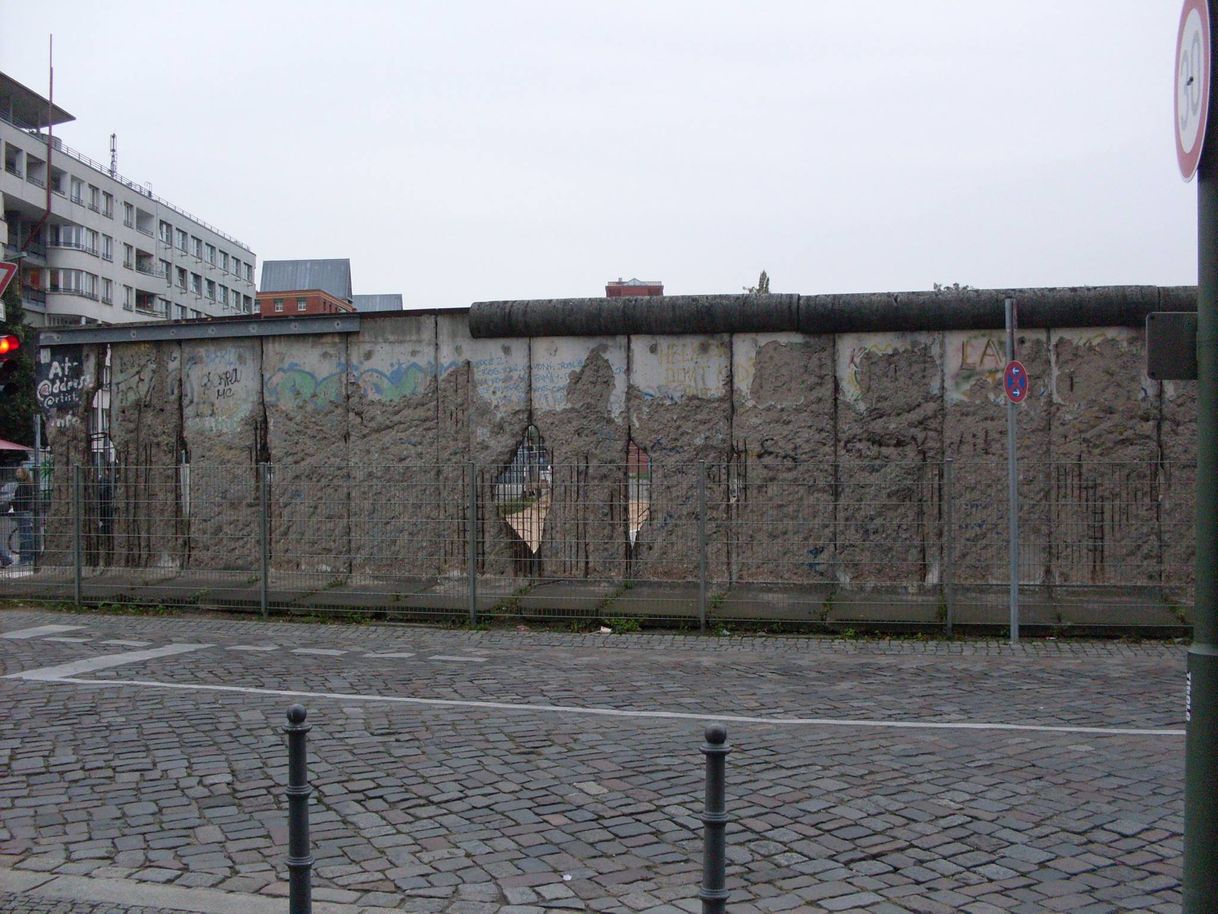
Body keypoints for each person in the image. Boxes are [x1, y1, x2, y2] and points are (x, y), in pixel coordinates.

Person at [12, 467, 35, 565]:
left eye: (19, 472)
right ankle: (27, 557)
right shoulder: (25, 485)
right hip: (23, 512)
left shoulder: (24, 486)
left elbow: (22, 500)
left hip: (22, 512)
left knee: (25, 535)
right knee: (26, 534)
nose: (16, 473)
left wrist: (13, 502)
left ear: (24, 474)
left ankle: (26, 558)